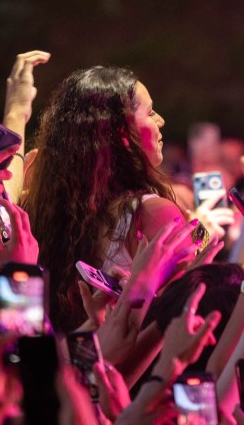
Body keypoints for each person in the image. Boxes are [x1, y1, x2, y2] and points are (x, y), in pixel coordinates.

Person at [21, 66, 187, 333]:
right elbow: (184, 325)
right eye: (150, 112)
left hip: (62, 358)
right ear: (123, 133)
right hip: (129, 361)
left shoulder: (39, 212)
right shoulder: (153, 215)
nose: (161, 120)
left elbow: (21, 324)